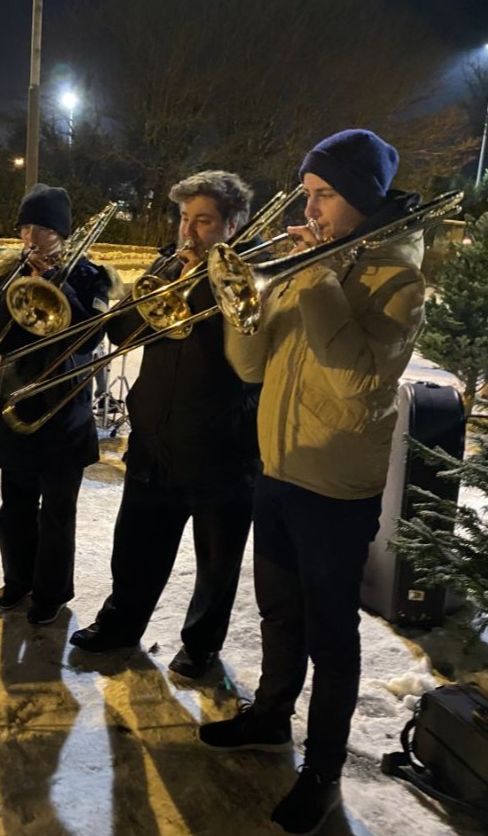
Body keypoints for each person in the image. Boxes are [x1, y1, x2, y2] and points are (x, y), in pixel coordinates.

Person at [199, 130, 426, 834]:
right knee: (278, 613)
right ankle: (271, 716)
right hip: (279, 467)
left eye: (324, 194)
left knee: (331, 638)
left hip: (336, 488)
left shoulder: (399, 282)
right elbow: (250, 367)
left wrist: (318, 278)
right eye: (307, 192)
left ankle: (323, 770)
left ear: (359, 197)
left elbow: (356, 378)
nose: (310, 208)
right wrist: (240, 302)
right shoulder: (307, 267)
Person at [70, 170, 261, 678]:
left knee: (216, 562)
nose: (189, 231)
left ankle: (201, 646)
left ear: (233, 225)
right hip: (155, 437)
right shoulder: (166, 265)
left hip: (222, 444)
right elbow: (120, 331)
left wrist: (209, 288)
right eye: (184, 218)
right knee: (135, 546)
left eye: (203, 221)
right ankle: (120, 624)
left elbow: (252, 356)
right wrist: (158, 289)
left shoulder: (253, 277)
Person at [0, 183, 113, 625]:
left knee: (57, 510)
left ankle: (51, 592)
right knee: (14, 505)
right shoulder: (7, 273)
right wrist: (13, 291)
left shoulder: (91, 276)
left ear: (62, 233)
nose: (31, 238)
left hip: (65, 408)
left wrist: (59, 287)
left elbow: (90, 339)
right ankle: (17, 580)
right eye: (25, 228)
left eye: (43, 229)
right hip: (17, 402)